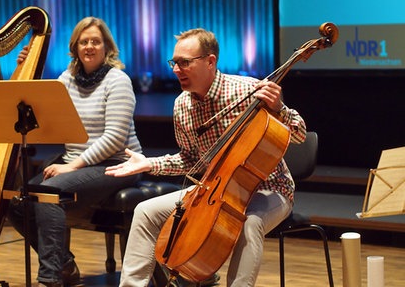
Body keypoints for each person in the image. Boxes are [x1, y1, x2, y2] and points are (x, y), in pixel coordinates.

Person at [105, 28, 307, 287]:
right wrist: (149, 163)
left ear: (210, 61)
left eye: (184, 63)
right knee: (145, 211)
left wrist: (280, 108)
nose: (176, 70)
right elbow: (191, 160)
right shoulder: (182, 105)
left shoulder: (248, 92)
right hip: (214, 191)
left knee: (249, 223)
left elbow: (299, 134)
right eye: (174, 62)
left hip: (269, 190)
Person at [7, 16, 142, 287]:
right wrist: (24, 66)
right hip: (77, 163)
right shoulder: (66, 79)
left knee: (49, 192)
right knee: (16, 202)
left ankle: (51, 279)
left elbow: (115, 139)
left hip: (119, 164)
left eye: (95, 41)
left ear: (107, 48)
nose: (89, 46)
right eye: (84, 41)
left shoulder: (118, 80)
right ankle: (65, 264)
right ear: (75, 47)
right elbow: (43, 110)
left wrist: (73, 166)